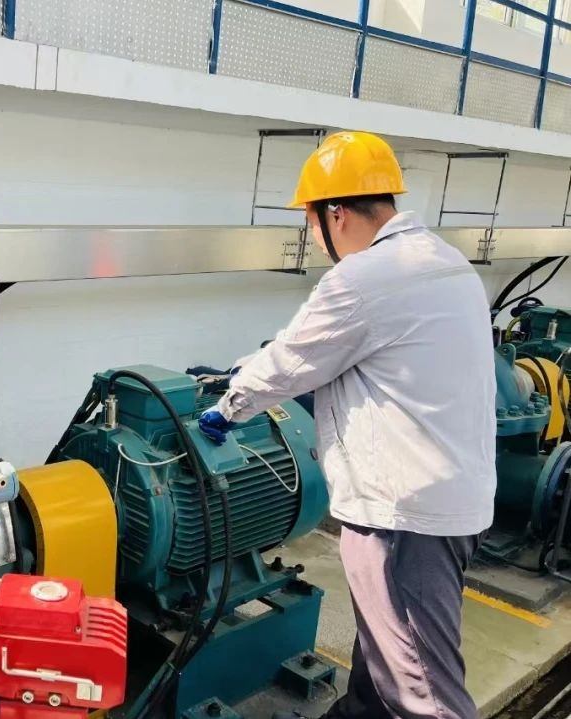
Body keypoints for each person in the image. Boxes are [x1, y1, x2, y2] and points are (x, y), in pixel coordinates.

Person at [199, 131, 495, 719]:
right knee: (385, 652)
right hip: (451, 500)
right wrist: (241, 369)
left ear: (335, 212)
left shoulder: (364, 278)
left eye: (311, 222)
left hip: (401, 517)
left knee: (423, 691)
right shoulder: (445, 263)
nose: (313, 236)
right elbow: (329, 348)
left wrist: (226, 408)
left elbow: (293, 359)